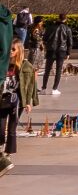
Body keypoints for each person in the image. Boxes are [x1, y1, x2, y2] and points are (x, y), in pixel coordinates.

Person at [1, 40, 36, 177]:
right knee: (1, 126)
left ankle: (8, 153)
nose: (10, 52)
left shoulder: (25, 66)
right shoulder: (3, 64)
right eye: (9, 49)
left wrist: (28, 102)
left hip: (16, 101)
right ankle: (0, 150)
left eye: (13, 49)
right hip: (3, 99)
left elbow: (30, 85)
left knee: (12, 128)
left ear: (19, 51)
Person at [42, 13, 71, 95]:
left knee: (47, 70)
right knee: (58, 70)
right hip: (61, 51)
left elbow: (45, 38)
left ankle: (43, 88)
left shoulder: (50, 27)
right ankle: (54, 89)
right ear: (65, 19)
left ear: (58, 18)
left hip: (51, 50)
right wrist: (68, 52)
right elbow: (70, 42)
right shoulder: (67, 29)